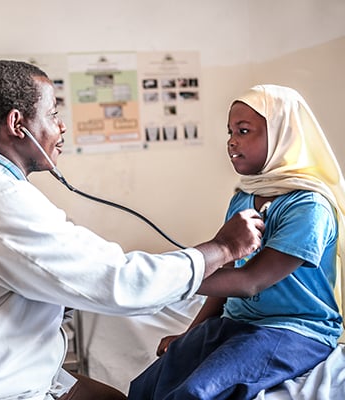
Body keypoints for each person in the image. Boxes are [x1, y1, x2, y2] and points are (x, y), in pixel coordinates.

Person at [0, 60, 264, 400]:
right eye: (53, 114)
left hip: (18, 367)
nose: (62, 127)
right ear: (17, 124)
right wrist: (222, 248)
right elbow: (119, 282)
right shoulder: (2, 202)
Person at [128, 84, 345, 400]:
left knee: (195, 393)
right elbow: (227, 270)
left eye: (244, 131)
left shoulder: (308, 206)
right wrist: (188, 334)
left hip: (294, 330)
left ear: (283, 136)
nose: (231, 141)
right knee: (145, 389)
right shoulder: (244, 198)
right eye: (230, 131)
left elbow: (249, 282)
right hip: (237, 321)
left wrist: (164, 280)